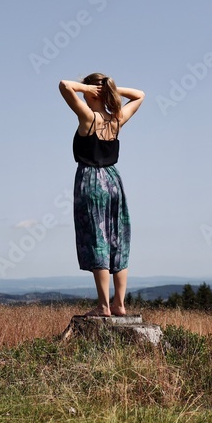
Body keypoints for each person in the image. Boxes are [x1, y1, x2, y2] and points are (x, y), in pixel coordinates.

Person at [58, 74, 145, 317]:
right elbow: (140, 95)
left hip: (91, 179)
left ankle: (104, 306)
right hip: (114, 180)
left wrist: (89, 88)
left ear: (92, 92)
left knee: (98, 237)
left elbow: (64, 86)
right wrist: (111, 91)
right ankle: (120, 303)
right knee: (118, 238)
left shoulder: (88, 117)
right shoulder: (116, 119)